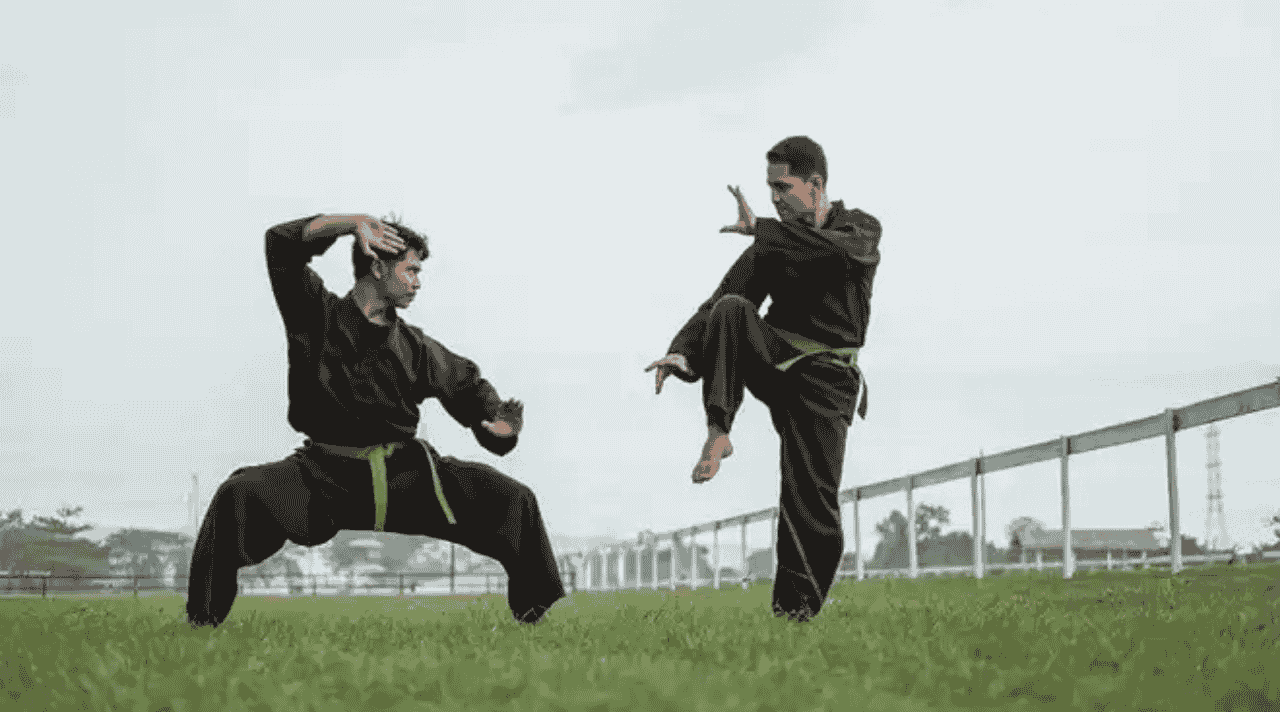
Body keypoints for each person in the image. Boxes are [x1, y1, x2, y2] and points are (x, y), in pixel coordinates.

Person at [186, 213, 565, 627]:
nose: (418, 282)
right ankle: (203, 622)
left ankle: (532, 616)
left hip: (406, 478)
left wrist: (496, 423)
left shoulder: (414, 346)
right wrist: (352, 223)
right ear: (379, 266)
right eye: (411, 270)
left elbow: (466, 386)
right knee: (238, 495)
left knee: (513, 499)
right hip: (324, 478)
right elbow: (280, 244)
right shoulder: (315, 316)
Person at [645, 136, 881, 621]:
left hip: (827, 381)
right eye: (769, 187)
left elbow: (843, 255)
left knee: (808, 496)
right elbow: (722, 299)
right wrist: (682, 351)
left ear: (815, 185)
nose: (774, 196)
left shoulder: (860, 228)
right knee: (733, 310)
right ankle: (719, 431)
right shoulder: (773, 244)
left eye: (783, 186)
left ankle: (794, 615)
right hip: (778, 361)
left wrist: (765, 230)